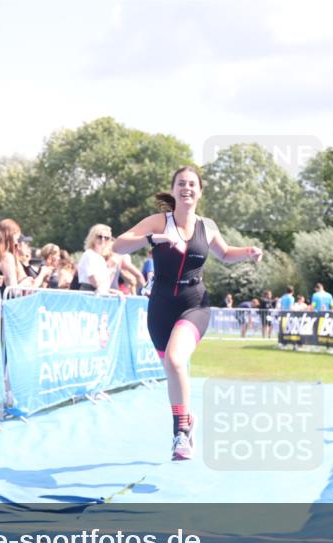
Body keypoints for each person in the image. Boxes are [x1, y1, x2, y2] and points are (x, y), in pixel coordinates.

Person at [113, 166, 262, 461]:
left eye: (192, 184)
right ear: (173, 189)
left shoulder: (208, 226)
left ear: (200, 192)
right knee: (172, 369)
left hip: (194, 304)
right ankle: (188, 419)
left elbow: (224, 254)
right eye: (181, 183)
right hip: (160, 307)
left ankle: (180, 432)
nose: (187, 188)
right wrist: (151, 239)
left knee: (175, 359)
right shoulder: (159, 221)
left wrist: (248, 252)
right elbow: (118, 245)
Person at [76, 224, 123, 295]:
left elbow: (106, 283)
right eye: (99, 236)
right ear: (92, 238)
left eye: (107, 238)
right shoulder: (89, 254)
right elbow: (94, 281)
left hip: (98, 292)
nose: (103, 239)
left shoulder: (100, 258)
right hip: (89, 292)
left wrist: (113, 268)